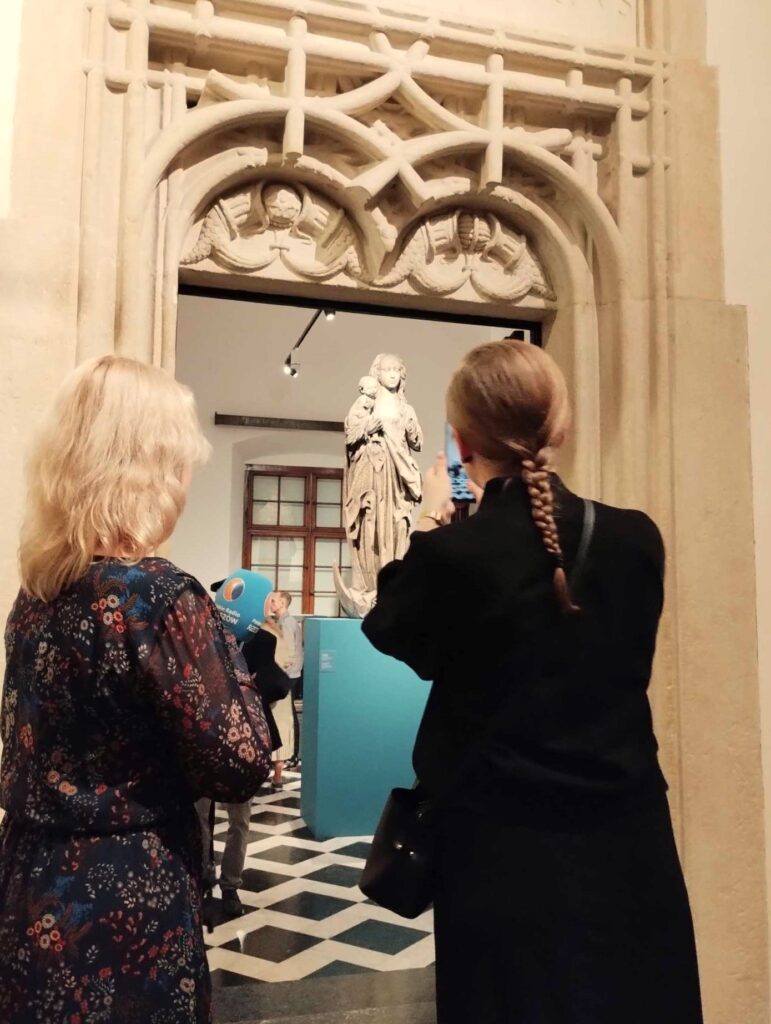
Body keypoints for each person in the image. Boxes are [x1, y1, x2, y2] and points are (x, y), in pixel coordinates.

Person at [362, 340, 703, 1024]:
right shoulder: (637, 539)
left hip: (499, 851)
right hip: (627, 840)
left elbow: (391, 627)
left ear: (460, 442)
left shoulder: (449, 556)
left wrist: (429, 519)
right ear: (561, 428)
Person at [0, 355, 273, 1024]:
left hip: (29, 881)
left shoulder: (35, 596)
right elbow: (240, 763)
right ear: (150, 469)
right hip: (126, 894)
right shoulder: (159, 596)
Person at [270, 591, 304, 768]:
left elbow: (288, 653)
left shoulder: (287, 623)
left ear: (282, 603)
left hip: (288, 675)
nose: (271, 603)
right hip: (287, 674)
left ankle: (292, 754)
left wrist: (280, 674)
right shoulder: (283, 622)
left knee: (289, 715)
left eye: (274, 601)